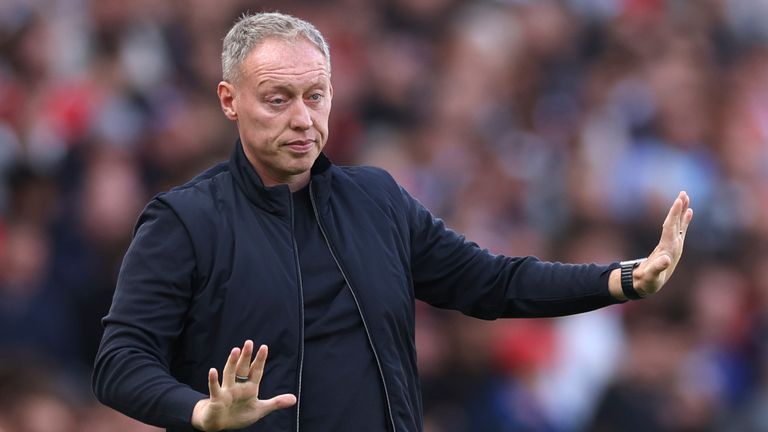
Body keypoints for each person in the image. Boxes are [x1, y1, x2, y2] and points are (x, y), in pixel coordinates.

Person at [92, 11, 694, 432]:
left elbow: (492, 282)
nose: (303, 118)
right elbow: (119, 361)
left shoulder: (375, 198)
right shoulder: (184, 220)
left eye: (316, 95)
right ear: (229, 101)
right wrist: (202, 412)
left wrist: (621, 279)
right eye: (278, 99)